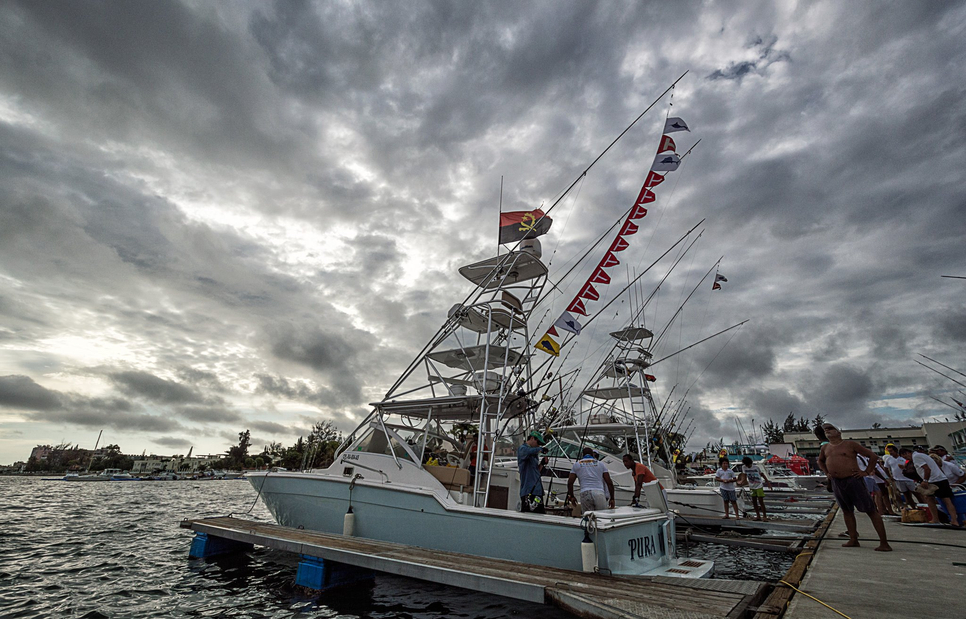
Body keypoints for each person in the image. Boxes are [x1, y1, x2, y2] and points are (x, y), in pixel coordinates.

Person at [817, 423, 891, 551]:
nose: (827, 431)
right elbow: (820, 461)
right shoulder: (825, 448)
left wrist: (866, 472)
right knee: (847, 511)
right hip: (837, 482)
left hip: (853, 480)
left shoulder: (850, 444)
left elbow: (872, 456)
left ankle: (884, 542)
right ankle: (853, 539)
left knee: (870, 510)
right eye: (825, 430)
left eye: (830, 429)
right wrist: (827, 473)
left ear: (838, 432)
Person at [900, 446, 959, 526]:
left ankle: (936, 519)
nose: (906, 459)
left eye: (905, 456)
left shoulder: (916, 457)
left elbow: (927, 469)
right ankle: (954, 520)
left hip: (933, 480)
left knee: (931, 499)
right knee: (945, 499)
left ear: (907, 453)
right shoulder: (922, 455)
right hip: (941, 478)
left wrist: (925, 480)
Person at [566, 447, 616, 512]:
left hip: (585, 493)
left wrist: (572, 496)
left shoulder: (576, 465)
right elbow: (609, 482)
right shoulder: (601, 464)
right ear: (592, 454)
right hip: (599, 493)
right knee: (602, 518)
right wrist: (612, 498)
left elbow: (570, 482)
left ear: (582, 454)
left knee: (588, 517)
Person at [518, 430, 548, 513]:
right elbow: (528, 451)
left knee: (540, 516)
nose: (538, 445)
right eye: (538, 442)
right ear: (531, 438)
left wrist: (542, 464)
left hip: (537, 492)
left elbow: (536, 470)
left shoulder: (534, 454)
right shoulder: (523, 449)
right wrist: (540, 449)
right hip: (528, 492)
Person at [738, 456, 772, 521]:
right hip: (751, 486)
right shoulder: (744, 467)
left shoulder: (756, 467)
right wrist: (741, 482)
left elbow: (762, 474)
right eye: (746, 465)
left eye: (748, 465)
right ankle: (758, 516)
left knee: (761, 501)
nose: (748, 466)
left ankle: (764, 516)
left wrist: (768, 483)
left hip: (759, 485)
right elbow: (744, 476)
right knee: (754, 501)